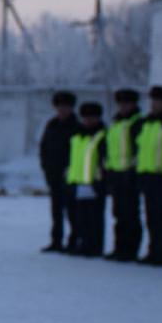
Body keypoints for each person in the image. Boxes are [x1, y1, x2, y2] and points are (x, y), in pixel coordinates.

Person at [132, 85, 162, 266]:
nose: (153, 104)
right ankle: (153, 250)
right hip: (147, 175)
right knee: (151, 216)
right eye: (152, 101)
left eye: (158, 101)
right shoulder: (147, 124)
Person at [103, 88, 142, 261]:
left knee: (130, 214)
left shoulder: (137, 122)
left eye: (126, 103)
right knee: (118, 214)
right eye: (120, 103)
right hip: (116, 173)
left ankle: (130, 249)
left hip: (130, 174)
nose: (123, 106)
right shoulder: (116, 123)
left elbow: (140, 149)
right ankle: (119, 247)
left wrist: (132, 169)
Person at [65, 101, 106, 257]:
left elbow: (103, 161)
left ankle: (94, 247)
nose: (88, 120)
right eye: (86, 117)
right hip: (77, 181)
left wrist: (99, 181)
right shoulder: (77, 136)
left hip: (93, 183)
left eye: (92, 117)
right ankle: (83, 243)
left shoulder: (101, 135)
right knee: (79, 217)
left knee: (94, 217)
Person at [40, 90, 79, 253]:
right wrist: (46, 168)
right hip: (54, 176)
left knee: (73, 212)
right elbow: (44, 148)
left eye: (66, 106)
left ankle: (74, 241)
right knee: (56, 212)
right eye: (60, 107)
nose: (62, 110)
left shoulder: (77, 127)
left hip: (71, 177)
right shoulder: (52, 125)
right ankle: (56, 240)